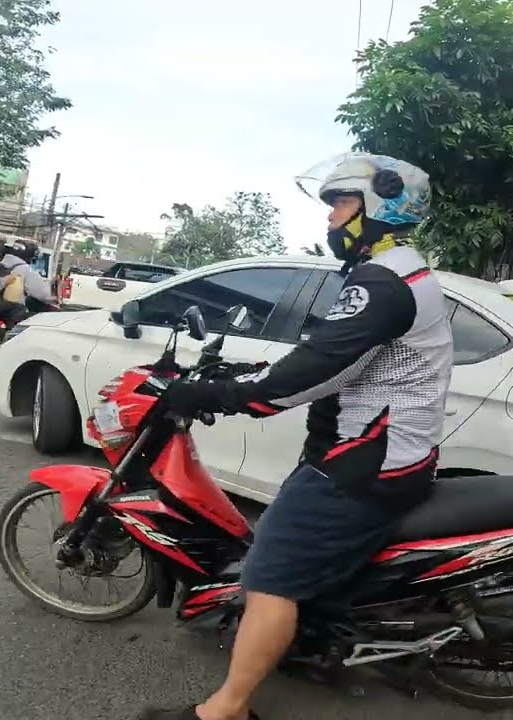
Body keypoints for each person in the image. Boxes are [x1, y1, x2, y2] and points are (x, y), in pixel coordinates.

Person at [140, 154, 452, 720]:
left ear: (378, 207)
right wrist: (244, 377)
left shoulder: (383, 283)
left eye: (342, 203)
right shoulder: (394, 273)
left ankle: (227, 709)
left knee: (269, 577)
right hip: (383, 451)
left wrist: (215, 395)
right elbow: (329, 358)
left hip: (363, 463)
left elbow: (315, 372)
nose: (331, 217)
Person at [0, 240, 57, 313]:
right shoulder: (25, 269)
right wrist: (52, 288)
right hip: (12, 312)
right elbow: (44, 295)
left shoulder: (0, 263)